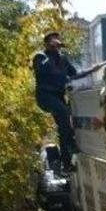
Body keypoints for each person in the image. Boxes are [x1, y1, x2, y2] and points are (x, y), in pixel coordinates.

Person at [33, 32, 78, 172]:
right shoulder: (40, 57)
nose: (57, 45)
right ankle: (71, 145)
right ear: (47, 44)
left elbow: (74, 73)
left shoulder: (63, 58)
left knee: (65, 126)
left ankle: (66, 162)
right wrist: (52, 53)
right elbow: (48, 70)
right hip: (45, 96)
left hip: (58, 96)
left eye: (57, 42)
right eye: (53, 42)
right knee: (63, 113)